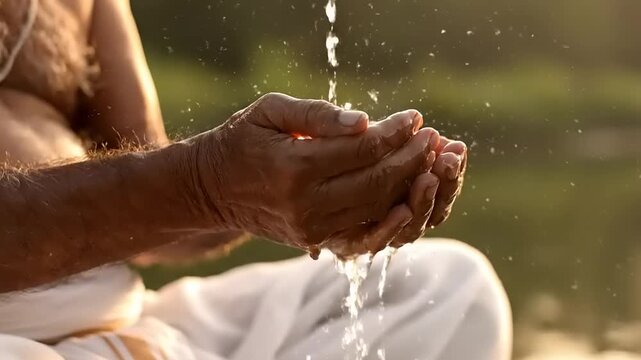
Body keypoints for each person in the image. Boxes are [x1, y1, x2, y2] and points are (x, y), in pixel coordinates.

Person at [0, 0, 512, 359]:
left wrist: (307, 194)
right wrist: (206, 185)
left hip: (117, 320)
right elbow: (180, 187)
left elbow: (153, 203)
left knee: (450, 290)